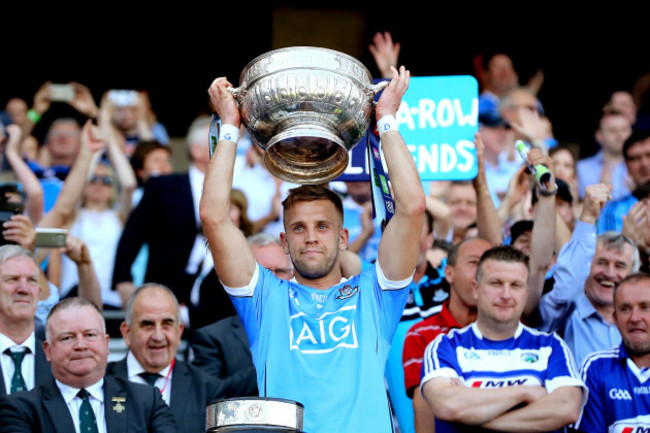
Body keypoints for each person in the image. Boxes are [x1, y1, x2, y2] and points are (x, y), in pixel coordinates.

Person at [201, 66, 424, 433]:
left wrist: (386, 121)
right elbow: (214, 218)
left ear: (343, 238)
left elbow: (412, 207)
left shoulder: (375, 296)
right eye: (299, 228)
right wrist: (229, 128)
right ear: (285, 242)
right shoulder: (264, 301)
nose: (311, 237)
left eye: (322, 226)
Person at [420, 246, 585, 432]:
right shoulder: (445, 346)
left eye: (516, 285)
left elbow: (567, 409)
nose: (506, 295)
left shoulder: (551, 347)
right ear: (476, 288)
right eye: (496, 283)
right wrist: (526, 392)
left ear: (526, 293)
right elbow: (447, 405)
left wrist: (475, 417)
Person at [0, 297, 176, 433]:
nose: (81, 345)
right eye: (67, 337)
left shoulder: (146, 400)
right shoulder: (21, 409)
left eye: (90, 335)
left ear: (106, 344)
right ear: (48, 350)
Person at [538, 183, 641, 366]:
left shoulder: (640, 320)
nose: (609, 273)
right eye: (601, 262)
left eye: (619, 266)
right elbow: (568, 286)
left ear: (631, 275)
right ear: (587, 268)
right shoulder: (564, 312)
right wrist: (587, 219)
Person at [106, 284, 225, 433]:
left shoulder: (207, 388)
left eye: (167, 324)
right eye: (147, 324)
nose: (158, 336)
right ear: (127, 333)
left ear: (179, 331)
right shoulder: (101, 381)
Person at [402, 237, 492, 433]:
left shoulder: (516, 328)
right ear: (449, 273)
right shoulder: (421, 335)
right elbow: (425, 409)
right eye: (474, 263)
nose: (484, 274)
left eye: (490, 265)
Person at [190, 233, 294, 398]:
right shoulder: (213, 338)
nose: (272, 279)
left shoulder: (315, 327)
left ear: (292, 276)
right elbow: (206, 396)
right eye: (264, 272)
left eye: (280, 271)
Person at [576, 273, 650, 432]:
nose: (635, 318)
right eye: (625, 309)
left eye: (645, 307)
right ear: (615, 320)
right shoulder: (595, 368)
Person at [0, 245, 52, 396]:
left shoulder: (58, 358)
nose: (24, 289)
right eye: (12, 279)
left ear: (39, 293)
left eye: (32, 280)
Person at [598, 129, 650, 233]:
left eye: (649, 155)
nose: (644, 163)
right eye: (635, 158)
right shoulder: (613, 210)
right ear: (626, 166)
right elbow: (609, 248)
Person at [577, 110, 632, 200]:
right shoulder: (581, 168)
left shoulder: (642, 166)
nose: (620, 135)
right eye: (613, 130)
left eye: (624, 129)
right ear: (599, 136)